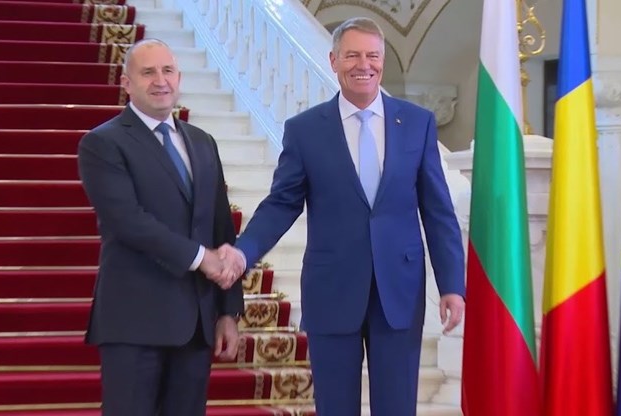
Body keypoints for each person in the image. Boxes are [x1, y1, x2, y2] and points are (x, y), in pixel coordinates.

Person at [217, 17, 465, 416]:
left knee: (397, 408)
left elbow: (438, 212)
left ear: (383, 60)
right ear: (333, 61)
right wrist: (244, 252)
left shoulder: (417, 123)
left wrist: (452, 284)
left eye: (372, 56)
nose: (363, 65)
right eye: (352, 55)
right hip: (331, 291)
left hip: (399, 292)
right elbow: (282, 203)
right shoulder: (305, 130)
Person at [77, 38, 243, 416]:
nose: (160, 80)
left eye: (168, 70)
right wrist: (202, 258)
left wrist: (228, 312)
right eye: (148, 72)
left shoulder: (202, 142)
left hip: (196, 325)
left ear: (179, 78)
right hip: (135, 322)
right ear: (127, 83)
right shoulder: (102, 143)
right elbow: (128, 222)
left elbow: (221, 226)